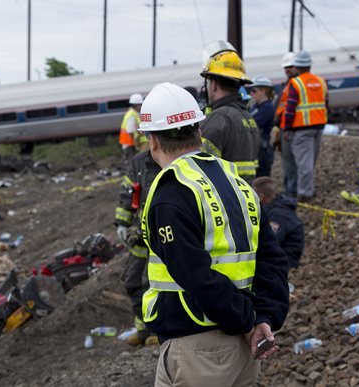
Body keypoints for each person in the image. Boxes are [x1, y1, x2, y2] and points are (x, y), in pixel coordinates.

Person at [137, 82, 289, 387]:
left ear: (153, 140)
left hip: (199, 349)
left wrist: (248, 321)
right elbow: (273, 261)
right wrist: (263, 319)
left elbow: (196, 277)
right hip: (244, 347)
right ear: (199, 131)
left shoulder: (172, 192)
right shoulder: (236, 181)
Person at [114, 149, 162, 346]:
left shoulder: (173, 160)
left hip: (162, 237)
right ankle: (143, 330)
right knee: (133, 281)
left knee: (153, 284)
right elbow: (129, 192)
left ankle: (158, 330)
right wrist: (122, 223)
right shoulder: (139, 162)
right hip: (140, 236)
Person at [199, 45, 261, 182]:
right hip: (245, 195)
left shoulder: (219, 118)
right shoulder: (248, 118)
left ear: (213, 84)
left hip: (221, 196)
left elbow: (199, 166)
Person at [280, 50, 328, 202]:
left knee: (303, 164)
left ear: (298, 66)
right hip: (319, 126)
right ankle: (307, 190)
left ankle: (305, 194)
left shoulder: (296, 83)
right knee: (310, 161)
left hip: (301, 128)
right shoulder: (321, 81)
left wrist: (286, 128)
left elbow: (290, 108)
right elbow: (326, 103)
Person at [252, 177, 304, 269]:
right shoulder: (273, 208)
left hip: (284, 261)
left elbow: (270, 240)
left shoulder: (278, 215)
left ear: (261, 196)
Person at [275, 52, 300, 197]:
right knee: (287, 162)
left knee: (291, 162)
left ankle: (292, 191)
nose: (288, 70)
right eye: (285, 67)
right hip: (285, 126)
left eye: (290, 66)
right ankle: (289, 189)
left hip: (292, 128)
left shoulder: (295, 84)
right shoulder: (287, 85)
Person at [247, 76, 276, 177]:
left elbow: (251, 124)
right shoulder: (254, 106)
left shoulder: (267, 108)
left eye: (254, 91)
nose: (251, 93)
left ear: (263, 91)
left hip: (263, 150)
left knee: (262, 177)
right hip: (256, 148)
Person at [119, 94, 145, 158]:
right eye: (141, 105)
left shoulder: (134, 113)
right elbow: (130, 132)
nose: (142, 106)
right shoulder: (131, 115)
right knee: (133, 164)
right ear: (137, 105)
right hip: (130, 145)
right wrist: (137, 145)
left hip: (131, 144)